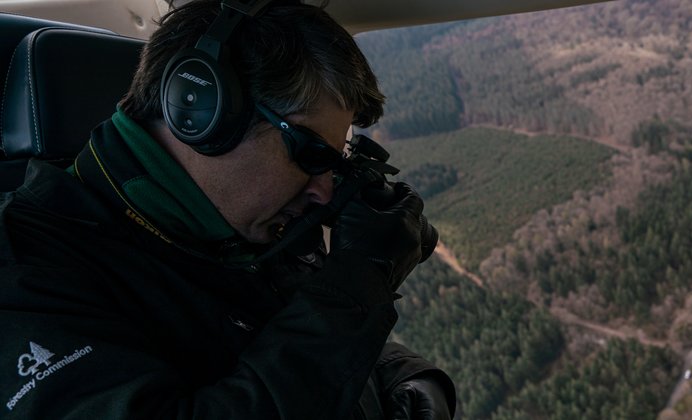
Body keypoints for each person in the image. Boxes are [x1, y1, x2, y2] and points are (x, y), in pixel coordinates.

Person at [0, 0, 455, 418]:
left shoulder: (243, 228)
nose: (322, 191)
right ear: (200, 111)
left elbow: (294, 334)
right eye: (313, 155)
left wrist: (401, 375)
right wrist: (358, 282)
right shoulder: (25, 277)